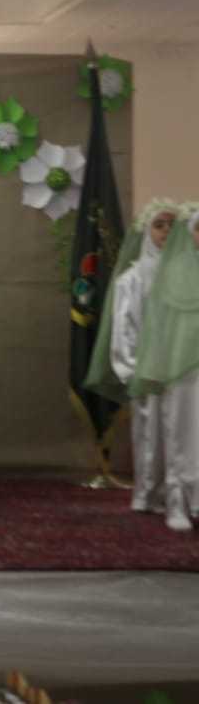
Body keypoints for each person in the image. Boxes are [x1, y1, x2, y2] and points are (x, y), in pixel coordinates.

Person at [86, 198, 180, 514]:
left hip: (185, 370)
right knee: (151, 434)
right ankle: (149, 493)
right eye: (159, 225)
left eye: (172, 226)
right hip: (148, 370)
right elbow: (123, 330)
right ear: (145, 231)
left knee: (185, 434)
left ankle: (183, 494)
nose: (166, 232)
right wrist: (133, 368)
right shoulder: (132, 279)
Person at [134, 205, 199, 531]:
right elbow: (158, 329)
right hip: (181, 370)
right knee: (181, 436)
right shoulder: (170, 275)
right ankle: (177, 502)